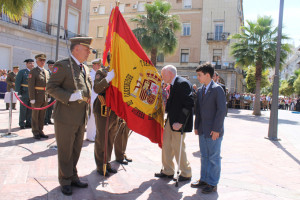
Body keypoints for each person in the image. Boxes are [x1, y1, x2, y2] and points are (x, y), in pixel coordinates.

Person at [46, 37, 93, 196]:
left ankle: (72, 176)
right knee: (65, 151)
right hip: (65, 117)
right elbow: (51, 88)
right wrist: (69, 96)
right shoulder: (63, 65)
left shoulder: (84, 68)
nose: (89, 52)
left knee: (76, 150)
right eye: (86, 49)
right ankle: (65, 180)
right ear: (77, 48)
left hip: (80, 116)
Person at [155, 65, 194, 182]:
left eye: (163, 74)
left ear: (170, 73)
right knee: (166, 145)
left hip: (178, 122)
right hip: (170, 120)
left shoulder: (182, 83)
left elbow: (189, 104)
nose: (162, 77)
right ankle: (168, 170)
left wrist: (180, 122)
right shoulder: (172, 84)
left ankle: (186, 173)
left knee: (178, 147)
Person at [191, 63, 226, 194]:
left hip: (214, 131)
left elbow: (221, 110)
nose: (198, 77)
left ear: (207, 75)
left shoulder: (218, 89)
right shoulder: (200, 90)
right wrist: (196, 126)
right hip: (202, 130)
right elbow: (198, 110)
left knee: (214, 158)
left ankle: (212, 183)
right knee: (204, 156)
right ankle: (204, 179)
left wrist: (217, 129)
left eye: (199, 75)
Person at [93, 59, 119, 177]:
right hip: (103, 109)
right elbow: (97, 88)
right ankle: (100, 165)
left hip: (115, 110)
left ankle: (107, 162)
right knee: (101, 138)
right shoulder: (102, 72)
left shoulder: (121, 72)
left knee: (110, 139)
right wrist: (108, 78)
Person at [28, 54, 50, 140]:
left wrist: (48, 95)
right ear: (37, 61)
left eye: (44, 60)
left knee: (42, 115)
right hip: (36, 97)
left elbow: (48, 85)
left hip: (44, 97)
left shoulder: (47, 72)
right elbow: (31, 86)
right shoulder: (33, 71)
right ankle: (35, 132)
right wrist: (32, 98)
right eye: (40, 60)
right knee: (35, 115)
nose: (42, 62)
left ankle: (40, 131)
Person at [15, 59, 34, 129]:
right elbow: (17, 83)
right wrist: (18, 93)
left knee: (30, 109)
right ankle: (22, 123)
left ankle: (28, 122)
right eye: (30, 63)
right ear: (26, 64)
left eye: (32, 63)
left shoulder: (34, 72)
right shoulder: (22, 72)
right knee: (23, 109)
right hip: (24, 93)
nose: (31, 64)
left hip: (32, 94)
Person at [85, 58, 102, 142]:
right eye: (98, 65)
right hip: (92, 99)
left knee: (96, 118)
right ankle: (89, 136)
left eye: (100, 65)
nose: (99, 66)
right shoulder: (90, 75)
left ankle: (94, 134)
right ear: (94, 65)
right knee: (91, 118)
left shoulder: (99, 75)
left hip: (98, 99)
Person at [44, 60, 55, 125]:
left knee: (51, 107)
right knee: (46, 107)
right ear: (48, 66)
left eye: (53, 65)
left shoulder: (55, 73)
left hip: (53, 92)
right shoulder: (46, 72)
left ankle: (49, 119)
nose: (52, 66)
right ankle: (45, 120)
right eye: (50, 65)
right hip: (47, 92)